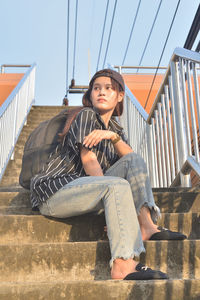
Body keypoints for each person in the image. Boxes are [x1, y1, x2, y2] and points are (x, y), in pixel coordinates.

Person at [30, 69, 186, 280]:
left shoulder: (114, 128)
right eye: (96, 88)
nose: (101, 92)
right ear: (90, 94)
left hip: (87, 191)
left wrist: (113, 136)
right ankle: (122, 264)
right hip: (56, 192)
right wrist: (113, 209)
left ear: (120, 95)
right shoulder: (85, 115)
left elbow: (133, 163)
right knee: (116, 185)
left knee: (133, 160)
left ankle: (146, 225)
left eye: (108, 88)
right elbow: (89, 160)